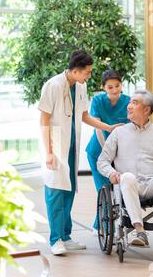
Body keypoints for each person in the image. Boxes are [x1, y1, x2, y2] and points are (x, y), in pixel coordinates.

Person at [38, 50, 122, 255]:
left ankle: (66, 236)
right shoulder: (53, 85)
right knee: (56, 191)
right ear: (75, 70)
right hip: (56, 143)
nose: (89, 76)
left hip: (71, 144)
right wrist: (48, 152)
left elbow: (85, 116)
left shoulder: (80, 86)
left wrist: (108, 127)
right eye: (87, 72)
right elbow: (44, 121)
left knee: (69, 190)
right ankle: (55, 239)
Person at [97, 89, 153, 246]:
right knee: (127, 176)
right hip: (129, 185)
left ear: (146, 110)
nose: (129, 106)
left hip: (152, 184)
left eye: (135, 103)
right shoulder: (118, 133)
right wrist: (111, 173)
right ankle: (140, 232)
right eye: (130, 102)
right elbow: (102, 161)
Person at [85, 69, 130, 235]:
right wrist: (106, 151)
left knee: (119, 188)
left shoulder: (128, 101)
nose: (114, 90)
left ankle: (104, 223)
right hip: (98, 151)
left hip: (120, 152)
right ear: (104, 87)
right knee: (104, 189)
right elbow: (97, 127)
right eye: (110, 87)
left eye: (117, 86)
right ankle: (102, 226)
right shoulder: (97, 101)